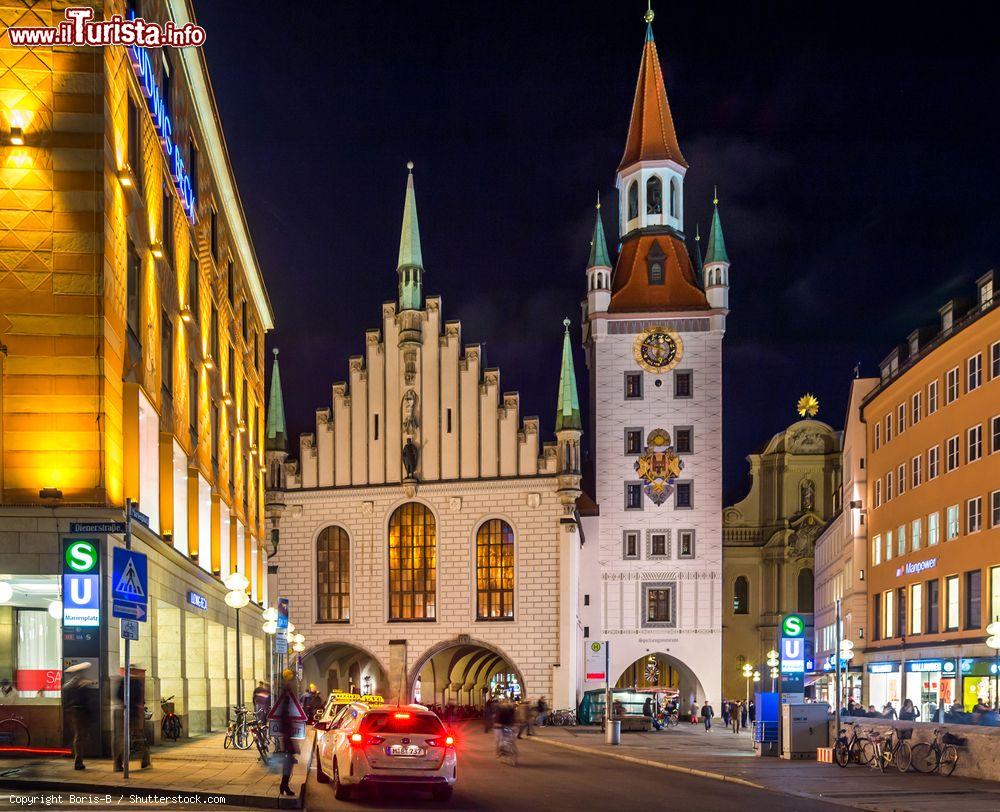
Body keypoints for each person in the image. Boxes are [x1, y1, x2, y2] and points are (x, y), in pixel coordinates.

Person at [114, 669, 150, 771]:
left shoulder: (122, 681)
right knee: (138, 735)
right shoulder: (137, 682)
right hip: (134, 712)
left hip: (123, 711)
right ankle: (145, 758)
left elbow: (117, 695)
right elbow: (141, 699)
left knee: (120, 738)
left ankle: (118, 763)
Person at [63, 662, 93, 770]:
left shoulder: (71, 684)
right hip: (79, 712)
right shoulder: (78, 684)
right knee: (80, 736)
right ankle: (78, 761)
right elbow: (83, 700)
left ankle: (79, 759)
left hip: (76, 712)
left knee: (80, 736)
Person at [277, 669, 298, 797]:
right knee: (289, 759)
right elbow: (283, 714)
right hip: (286, 733)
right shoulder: (285, 692)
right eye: (293, 679)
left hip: (287, 732)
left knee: (289, 759)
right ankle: (284, 784)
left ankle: (284, 784)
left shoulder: (285, 691)